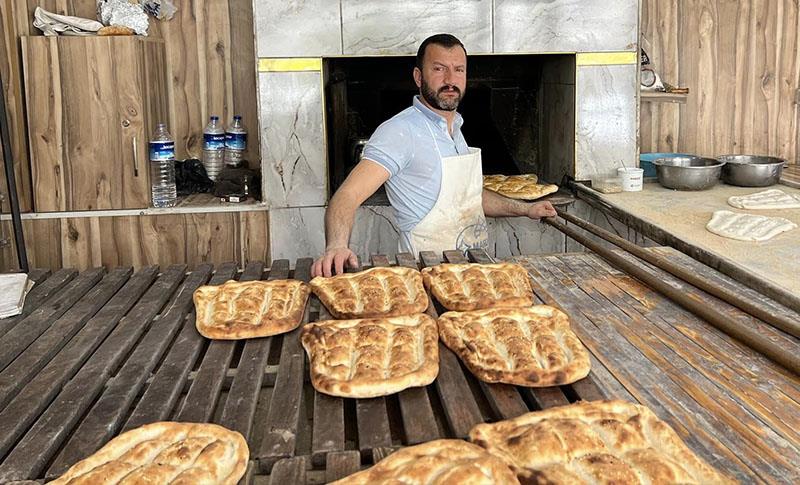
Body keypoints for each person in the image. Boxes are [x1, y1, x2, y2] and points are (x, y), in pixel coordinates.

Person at [311, 34, 556, 277]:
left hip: (473, 270)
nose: (450, 80)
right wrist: (337, 246)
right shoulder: (399, 131)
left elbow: (468, 199)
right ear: (419, 77)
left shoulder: (455, 128)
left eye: (458, 70)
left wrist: (525, 209)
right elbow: (347, 195)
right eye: (439, 69)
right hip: (427, 274)